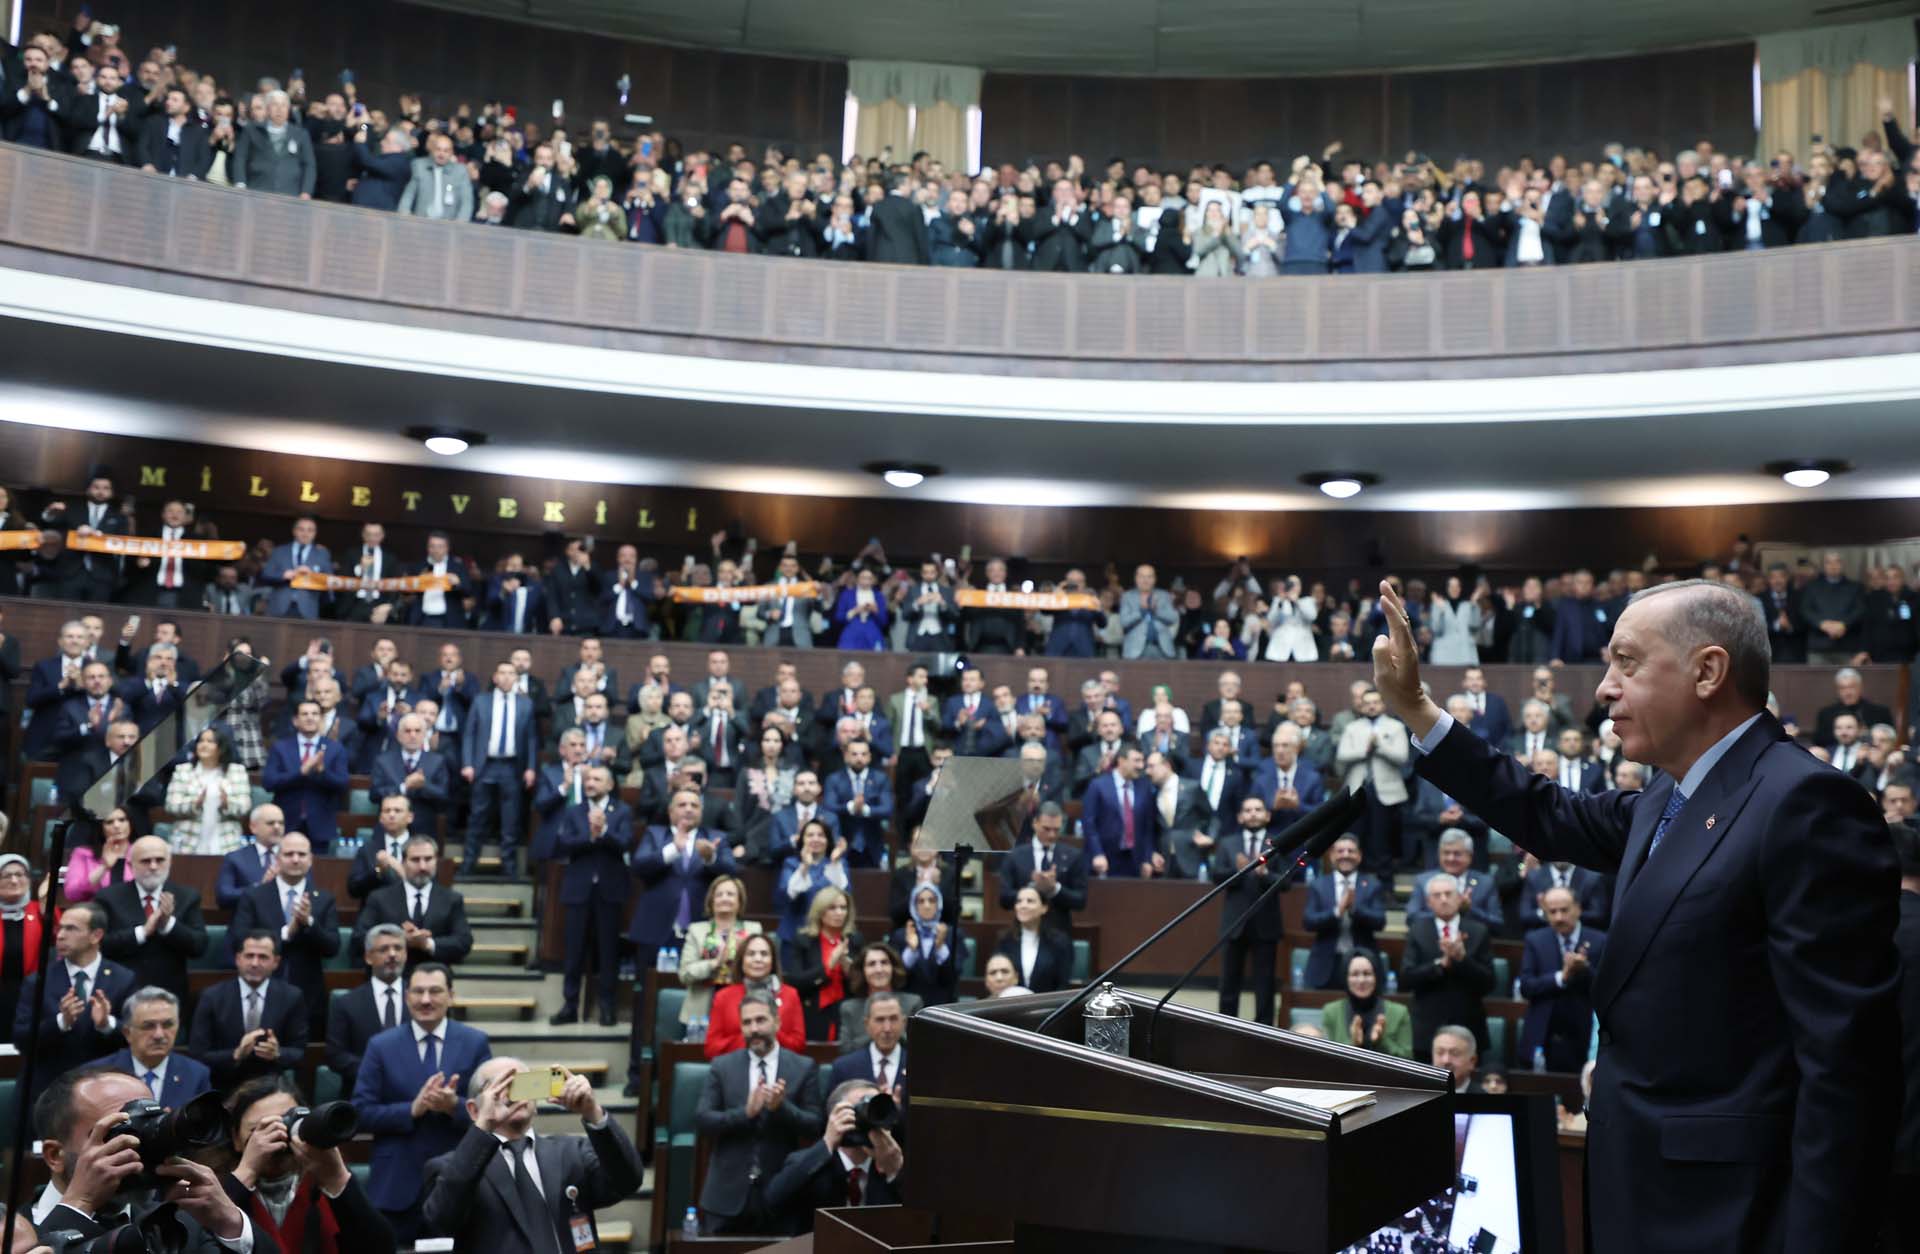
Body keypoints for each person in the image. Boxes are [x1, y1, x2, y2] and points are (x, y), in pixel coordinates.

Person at [1372, 576, 1900, 1252]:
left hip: (1732, 1216)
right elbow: (1544, 810)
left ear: (1708, 671)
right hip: (1642, 1195)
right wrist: (1416, 708)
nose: (1602, 688)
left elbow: (1848, 1070)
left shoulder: (1806, 804)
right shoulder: (1665, 797)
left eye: (1626, 661)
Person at [420, 1056, 643, 1254]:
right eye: (500, 1087)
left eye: (522, 1085)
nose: (513, 1096)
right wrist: (483, 1127)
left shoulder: (572, 1152)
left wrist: (593, 1111)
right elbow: (442, 1219)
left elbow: (628, 1180)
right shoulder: (452, 1167)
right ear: (473, 1109)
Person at [30, 1066, 255, 1252]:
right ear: (55, 1156)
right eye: (118, 1133)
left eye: (147, 1126)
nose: (139, 1146)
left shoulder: (177, 1228)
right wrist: (79, 1204)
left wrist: (230, 1222)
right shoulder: (10, 1235)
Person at [350, 962, 492, 1244]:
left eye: (435, 991)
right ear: (406, 996)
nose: (426, 1000)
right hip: (396, 1185)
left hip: (459, 1180)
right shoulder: (381, 1045)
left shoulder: (474, 1042)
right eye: (418, 992)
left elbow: (491, 1111)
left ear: (451, 995)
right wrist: (411, 1110)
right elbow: (360, 1113)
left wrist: (454, 1106)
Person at [696, 990, 826, 1235]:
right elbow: (703, 1120)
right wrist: (745, 1113)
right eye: (746, 1022)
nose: (754, 1029)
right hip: (726, 1197)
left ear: (777, 1021)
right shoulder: (722, 1066)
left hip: (783, 1193)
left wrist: (781, 1108)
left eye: (760, 1020)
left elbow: (816, 1125)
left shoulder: (803, 1067)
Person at [221, 1074, 396, 1254]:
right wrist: (246, 1172)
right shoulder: (218, 1184)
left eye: (285, 1122)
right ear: (236, 1138)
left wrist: (338, 1179)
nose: (277, 1135)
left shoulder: (323, 1180)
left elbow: (381, 1248)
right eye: (259, 1129)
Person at [13, 904, 137, 1098]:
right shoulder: (38, 980)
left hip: (102, 1090)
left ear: (96, 935)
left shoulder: (123, 979)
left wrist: (107, 1024)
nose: (60, 935)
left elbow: (136, 1038)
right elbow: (21, 1039)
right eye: (60, 928)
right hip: (47, 1092)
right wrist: (61, 1022)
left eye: (71, 929)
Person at [229, 832, 337, 1036]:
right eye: (289, 854)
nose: (295, 859)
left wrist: (309, 923)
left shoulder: (323, 899)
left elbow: (333, 946)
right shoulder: (254, 895)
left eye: (301, 854)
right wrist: (288, 932)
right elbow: (239, 940)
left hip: (309, 995)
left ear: (310, 859)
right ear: (277, 859)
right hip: (259, 990)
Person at [764, 1078, 905, 1233]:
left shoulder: (891, 1165)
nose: (870, 1117)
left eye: (876, 1109)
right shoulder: (810, 1162)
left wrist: (895, 1171)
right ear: (834, 1117)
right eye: (862, 1108)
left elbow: (919, 1221)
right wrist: (827, 1143)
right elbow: (773, 1201)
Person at [552, 765, 632, 1026]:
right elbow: (563, 844)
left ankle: (607, 1007)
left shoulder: (622, 811)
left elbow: (625, 843)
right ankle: (570, 1005)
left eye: (597, 779)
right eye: (587, 779)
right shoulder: (574, 812)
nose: (590, 783)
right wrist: (592, 835)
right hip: (578, 889)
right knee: (574, 951)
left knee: (608, 952)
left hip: (610, 890)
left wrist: (605, 832)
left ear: (609, 785)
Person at [95, 836, 208, 1005]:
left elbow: (199, 946)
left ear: (169, 862)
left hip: (169, 994)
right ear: (131, 865)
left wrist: (168, 925)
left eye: (159, 860)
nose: (153, 866)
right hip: (121, 993)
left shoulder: (187, 897)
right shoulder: (109, 898)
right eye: (145, 861)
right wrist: (142, 932)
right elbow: (100, 945)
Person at [189, 931, 309, 1086]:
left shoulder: (292, 997)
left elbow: (300, 1053)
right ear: (238, 959)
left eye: (263, 957)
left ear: (276, 962)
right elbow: (197, 1055)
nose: (255, 963)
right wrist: (236, 1054)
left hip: (271, 1086)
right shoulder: (212, 996)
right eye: (249, 956)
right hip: (222, 1086)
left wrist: (277, 1053)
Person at [1398, 872, 1493, 1059]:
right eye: (1437, 895)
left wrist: (1462, 960)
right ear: (1428, 902)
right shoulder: (1418, 930)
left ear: (1459, 898)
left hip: (1468, 1026)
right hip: (1426, 1030)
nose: (1443, 899)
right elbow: (1406, 979)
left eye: (1449, 894)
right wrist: (1439, 965)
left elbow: (1489, 983)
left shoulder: (1478, 931)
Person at [351, 834, 474, 972]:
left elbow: (463, 942)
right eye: (415, 860)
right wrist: (399, 938)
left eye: (428, 859)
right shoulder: (379, 898)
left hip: (434, 978)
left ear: (436, 861)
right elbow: (360, 937)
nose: (422, 866)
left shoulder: (452, 899)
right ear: (403, 862)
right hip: (390, 978)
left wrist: (427, 944)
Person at [1210, 796, 1285, 1025]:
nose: (1253, 813)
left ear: (1267, 815)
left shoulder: (1278, 843)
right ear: (1240, 817)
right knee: (1229, 985)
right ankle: (1227, 1029)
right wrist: (1237, 870)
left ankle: (1263, 1033)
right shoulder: (1228, 843)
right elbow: (1216, 876)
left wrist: (1264, 874)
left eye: (1258, 809)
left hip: (1266, 924)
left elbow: (1287, 882)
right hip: (1235, 924)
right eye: (1248, 810)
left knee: (1264, 987)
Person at [1519, 886, 1608, 1072]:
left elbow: (1608, 988)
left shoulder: (1600, 941)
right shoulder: (1535, 940)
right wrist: (1562, 977)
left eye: (1564, 910)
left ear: (1578, 908)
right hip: (1544, 1034)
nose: (1559, 917)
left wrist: (1585, 969)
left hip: (1585, 1033)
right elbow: (1526, 987)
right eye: (1552, 912)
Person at [463, 661, 537, 878]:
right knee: (478, 816)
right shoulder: (480, 701)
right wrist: (467, 763)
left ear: (516, 678)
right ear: (495, 677)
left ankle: (509, 867)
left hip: (512, 766)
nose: (506, 677)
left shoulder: (526, 704)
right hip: (484, 765)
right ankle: (468, 863)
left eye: (511, 673)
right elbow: (469, 734)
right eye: (502, 673)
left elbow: (532, 739)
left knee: (510, 818)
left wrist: (531, 767)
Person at [326, 923, 408, 1097]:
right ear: (368, 957)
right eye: (384, 949)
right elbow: (335, 1056)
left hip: (413, 1096)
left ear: (405, 954)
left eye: (398, 948)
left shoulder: (421, 1001)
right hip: (361, 1094)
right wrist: (377, 1070)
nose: (392, 954)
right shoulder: (346, 1003)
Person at [1300, 834, 1388, 989]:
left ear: (1359, 856)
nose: (1345, 855)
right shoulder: (1318, 885)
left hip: (1362, 963)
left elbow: (1380, 921)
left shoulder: (1373, 885)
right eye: (1340, 851)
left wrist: (1354, 909)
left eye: (1350, 851)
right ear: (1332, 856)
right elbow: (1308, 921)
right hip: (1325, 965)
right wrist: (1336, 912)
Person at [263, 700, 351, 852]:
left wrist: (322, 772)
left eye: (315, 714)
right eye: (305, 714)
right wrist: (301, 772)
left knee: (320, 872)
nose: (310, 718)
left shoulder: (335, 749)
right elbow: (269, 782)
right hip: (286, 823)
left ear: (321, 720)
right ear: (295, 721)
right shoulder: (280, 747)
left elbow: (343, 784)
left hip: (321, 824)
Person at [678, 875, 761, 1035]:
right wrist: (713, 963)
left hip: (743, 1007)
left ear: (739, 902)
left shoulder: (753, 930)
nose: (724, 898)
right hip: (701, 1012)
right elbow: (685, 974)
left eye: (730, 894)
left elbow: (762, 972)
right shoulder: (697, 930)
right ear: (711, 901)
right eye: (719, 894)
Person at [103, 986, 212, 1106]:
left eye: (167, 1024)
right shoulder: (103, 1076)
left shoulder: (196, 1075)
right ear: (128, 1033)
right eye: (148, 1026)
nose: (159, 1035)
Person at [703, 933, 805, 1059]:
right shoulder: (723, 997)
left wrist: (769, 1032)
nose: (758, 959)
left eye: (764, 954)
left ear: (772, 961)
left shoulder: (790, 995)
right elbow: (712, 1049)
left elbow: (799, 1047)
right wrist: (751, 1036)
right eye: (751, 954)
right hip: (735, 1069)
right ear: (741, 960)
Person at [785, 886, 861, 1041]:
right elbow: (795, 981)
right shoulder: (803, 940)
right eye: (832, 908)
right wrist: (829, 965)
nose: (839, 913)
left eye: (843, 908)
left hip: (847, 1013)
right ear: (820, 911)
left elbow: (863, 984)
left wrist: (848, 969)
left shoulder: (854, 940)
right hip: (812, 1011)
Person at [998, 802, 1087, 933]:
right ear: (1035, 823)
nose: (1051, 835)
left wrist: (1054, 889)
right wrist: (1033, 888)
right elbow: (1004, 898)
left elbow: (1080, 900)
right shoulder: (1015, 856)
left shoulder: (1074, 856)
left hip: (1059, 932)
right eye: (1046, 829)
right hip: (1021, 931)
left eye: (1056, 830)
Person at [163, 726, 251, 854]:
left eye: (210, 742)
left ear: (221, 748)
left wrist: (227, 803)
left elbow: (244, 808)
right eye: (201, 741)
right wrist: (195, 803)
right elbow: (171, 805)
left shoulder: (237, 771)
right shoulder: (183, 770)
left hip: (226, 842)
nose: (204, 745)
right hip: (188, 842)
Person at [1319, 950, 1412, 1058]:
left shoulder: (1399, 1012)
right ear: (1346, 978)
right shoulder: (1331, 1011)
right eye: (1355, 974)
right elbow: (1328, 1059)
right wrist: (1353, 1043)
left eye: (1367, 974)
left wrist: (1381, 1041)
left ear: (1376, 976)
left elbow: (1408, 1059)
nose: (1361, 980)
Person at [837, 943, 925, 1054]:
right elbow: (845, 1050)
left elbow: (919, 1047)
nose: (879, 969)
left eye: (884, 963)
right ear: (862, 971)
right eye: (871, 964)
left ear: (893, 968)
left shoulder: (913, 1003)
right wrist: (878, 1032)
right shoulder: (849, 1008)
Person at [0, 854, 48, 1044]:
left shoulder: (39, 910)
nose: (14, 880)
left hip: (31, 996)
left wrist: (46, 902)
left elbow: (60, 936)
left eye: (20, 875)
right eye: (6, 875)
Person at [778, 818, 850, 940]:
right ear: (802, 840)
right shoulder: (791, 863)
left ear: (828, 840)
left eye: (821, 835)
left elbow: (846, 894)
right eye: (810, 835)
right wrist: (805, 867)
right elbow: (786, 896)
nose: (815, 839)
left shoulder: (838, 864)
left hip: (828, 934)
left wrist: (834, 863)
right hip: (795, 933)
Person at [995, 885, 1072, 993]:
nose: (1023, 905)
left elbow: (1063, 984)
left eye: (1030, 901)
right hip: (1010, 1006)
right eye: (1019, 901)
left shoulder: (1059, 942)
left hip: (1048, 1007)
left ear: (1044, 908)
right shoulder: (1005, 940)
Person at [892, 883, 960, 1006]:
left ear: (939, 904)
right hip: (908, 1005)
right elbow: (897, 978)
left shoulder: (953, 934)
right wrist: (911, 951)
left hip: (944, 1005)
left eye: (932, 900)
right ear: (914, 905)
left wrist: (940, 948)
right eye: (921, 901)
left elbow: (954, 976)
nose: (927, 906)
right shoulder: (900, 936)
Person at [61, 806, 136, 903]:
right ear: (101, 827)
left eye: (122, 820)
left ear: (130, 823)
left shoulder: (142, 852)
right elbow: (72, 893)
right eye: (109, 822)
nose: (117, 825)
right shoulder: (83, 854)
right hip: (97, 911)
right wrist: (104, 868)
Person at [1431, 1024, 1481, 1093]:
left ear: (1472, 1061)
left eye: (1455, 1053)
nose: (1446, 1060)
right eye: (1440, 1052)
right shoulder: (1419, 1094)